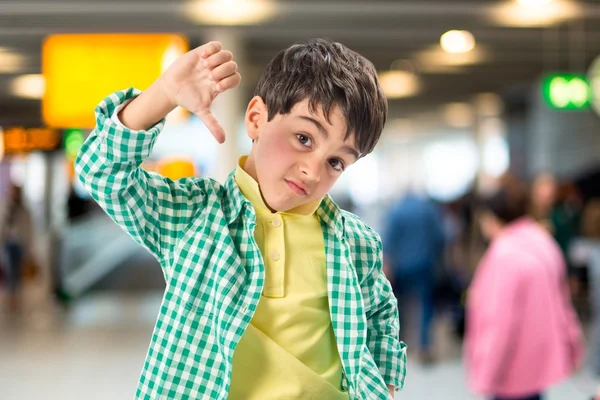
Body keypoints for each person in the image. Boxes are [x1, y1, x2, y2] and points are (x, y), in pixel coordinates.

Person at [75, 39, 406, 399]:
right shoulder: (196, 216)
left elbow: (379, 318)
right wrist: (163, 94)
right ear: (256, 119)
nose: (313, 171)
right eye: (304, 138)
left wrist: (385, 386)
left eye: (336, 162)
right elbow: (102, 173)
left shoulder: (357, 242)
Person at [465, 186, 584, 400]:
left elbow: (499, 324)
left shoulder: (504, 255)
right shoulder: (543, 242)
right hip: (537, 363)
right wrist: (573, 345)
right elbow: (563, 303)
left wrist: (485, 374)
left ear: (491, 218)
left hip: (511, 371)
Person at [382, 192, 444, 363]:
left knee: (398, 306)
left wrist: (387, 265)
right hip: (424, 264)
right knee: (425, 305)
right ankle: (425, 346)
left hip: (400, 266)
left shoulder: (395, 211)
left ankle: (399, 345)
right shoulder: (428, 209)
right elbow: (440, 236)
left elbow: (387, 242)